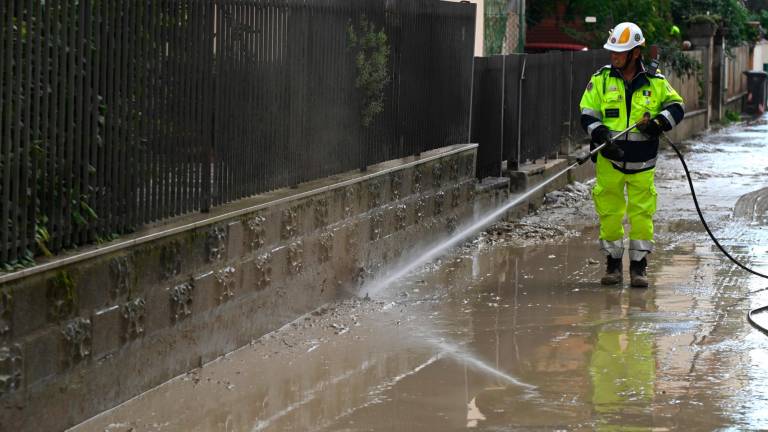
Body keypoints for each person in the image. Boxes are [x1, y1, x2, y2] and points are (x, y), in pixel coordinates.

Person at [579, 22, 685, 287]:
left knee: (641, 216)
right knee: (610, 214)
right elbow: (587, 113)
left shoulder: (655, 82)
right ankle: (613, 266)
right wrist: (602, 135)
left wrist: (658, 123)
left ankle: (639, 268)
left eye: (620, 51)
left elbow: (676, 106)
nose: (614, 56)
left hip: (643, 164)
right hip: (609, 162)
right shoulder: (601, 79)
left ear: (635, 53)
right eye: (612, 50)